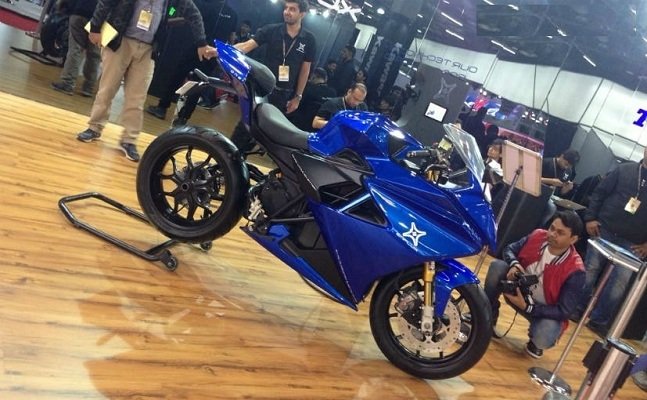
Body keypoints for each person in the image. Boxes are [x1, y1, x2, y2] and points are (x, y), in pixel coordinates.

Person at [75, 0, 213, 162]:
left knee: (137, 98)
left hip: (148, 50)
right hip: (120, 42)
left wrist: (201, 42)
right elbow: (105, 2)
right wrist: (95, 27)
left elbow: (194, 14)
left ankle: (129, 140)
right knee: (107, 89)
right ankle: (94, 127)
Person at [484, 210, 585, 358]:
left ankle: (535, 342)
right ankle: (487, 314)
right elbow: (509, 249)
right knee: (497, 267)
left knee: (546, 332)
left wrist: (529, 308)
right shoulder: (537, 235)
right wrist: (514, 264)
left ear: (573, 239)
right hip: (517, 292)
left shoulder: (576, 270)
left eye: (560, 233)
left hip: (542, 311)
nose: (552, 234)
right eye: (552, 228)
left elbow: (564, 311)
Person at [579, 147, 647, 336]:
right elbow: (599, 193)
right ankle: (576, 308)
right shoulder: (624, 170)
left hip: (634, 242)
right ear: (645, 150)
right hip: (605, 229)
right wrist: (590, 218)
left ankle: (599, 320)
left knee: (620, 283)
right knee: (590, 270)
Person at [146, 0, 237, 122]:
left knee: (178, 76)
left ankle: (162, 108)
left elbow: (191, 19)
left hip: (198, 47)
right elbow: (231, 39)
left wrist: (168, 20)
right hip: (213, 54)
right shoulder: (233, 14)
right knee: (198, 85)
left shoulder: (206, 4)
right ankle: (183, 118)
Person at [234, 0, 315, 114]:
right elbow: (246, 46)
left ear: (302, 14)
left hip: (285, 94)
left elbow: (305, 70)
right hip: (263, 88)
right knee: (249, 120)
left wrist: (298, 97)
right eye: (286, 8)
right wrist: (219, 50)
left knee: (271, 124)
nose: (287, 12)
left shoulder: (309, 39)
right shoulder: (271, 30)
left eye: (292, 9)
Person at [50, 0, 101, 97]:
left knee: (75, 49)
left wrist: (64, 4)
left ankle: (67, 83)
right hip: (101, 19)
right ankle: (88, 88)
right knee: (94, 55)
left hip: (80, 11)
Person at [290, 67, 335, 131]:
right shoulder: (333, 93)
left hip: (301, 123)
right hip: (318, 126)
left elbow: (298, 104)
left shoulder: (309, 90)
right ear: (326, 79)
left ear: (313, 77)